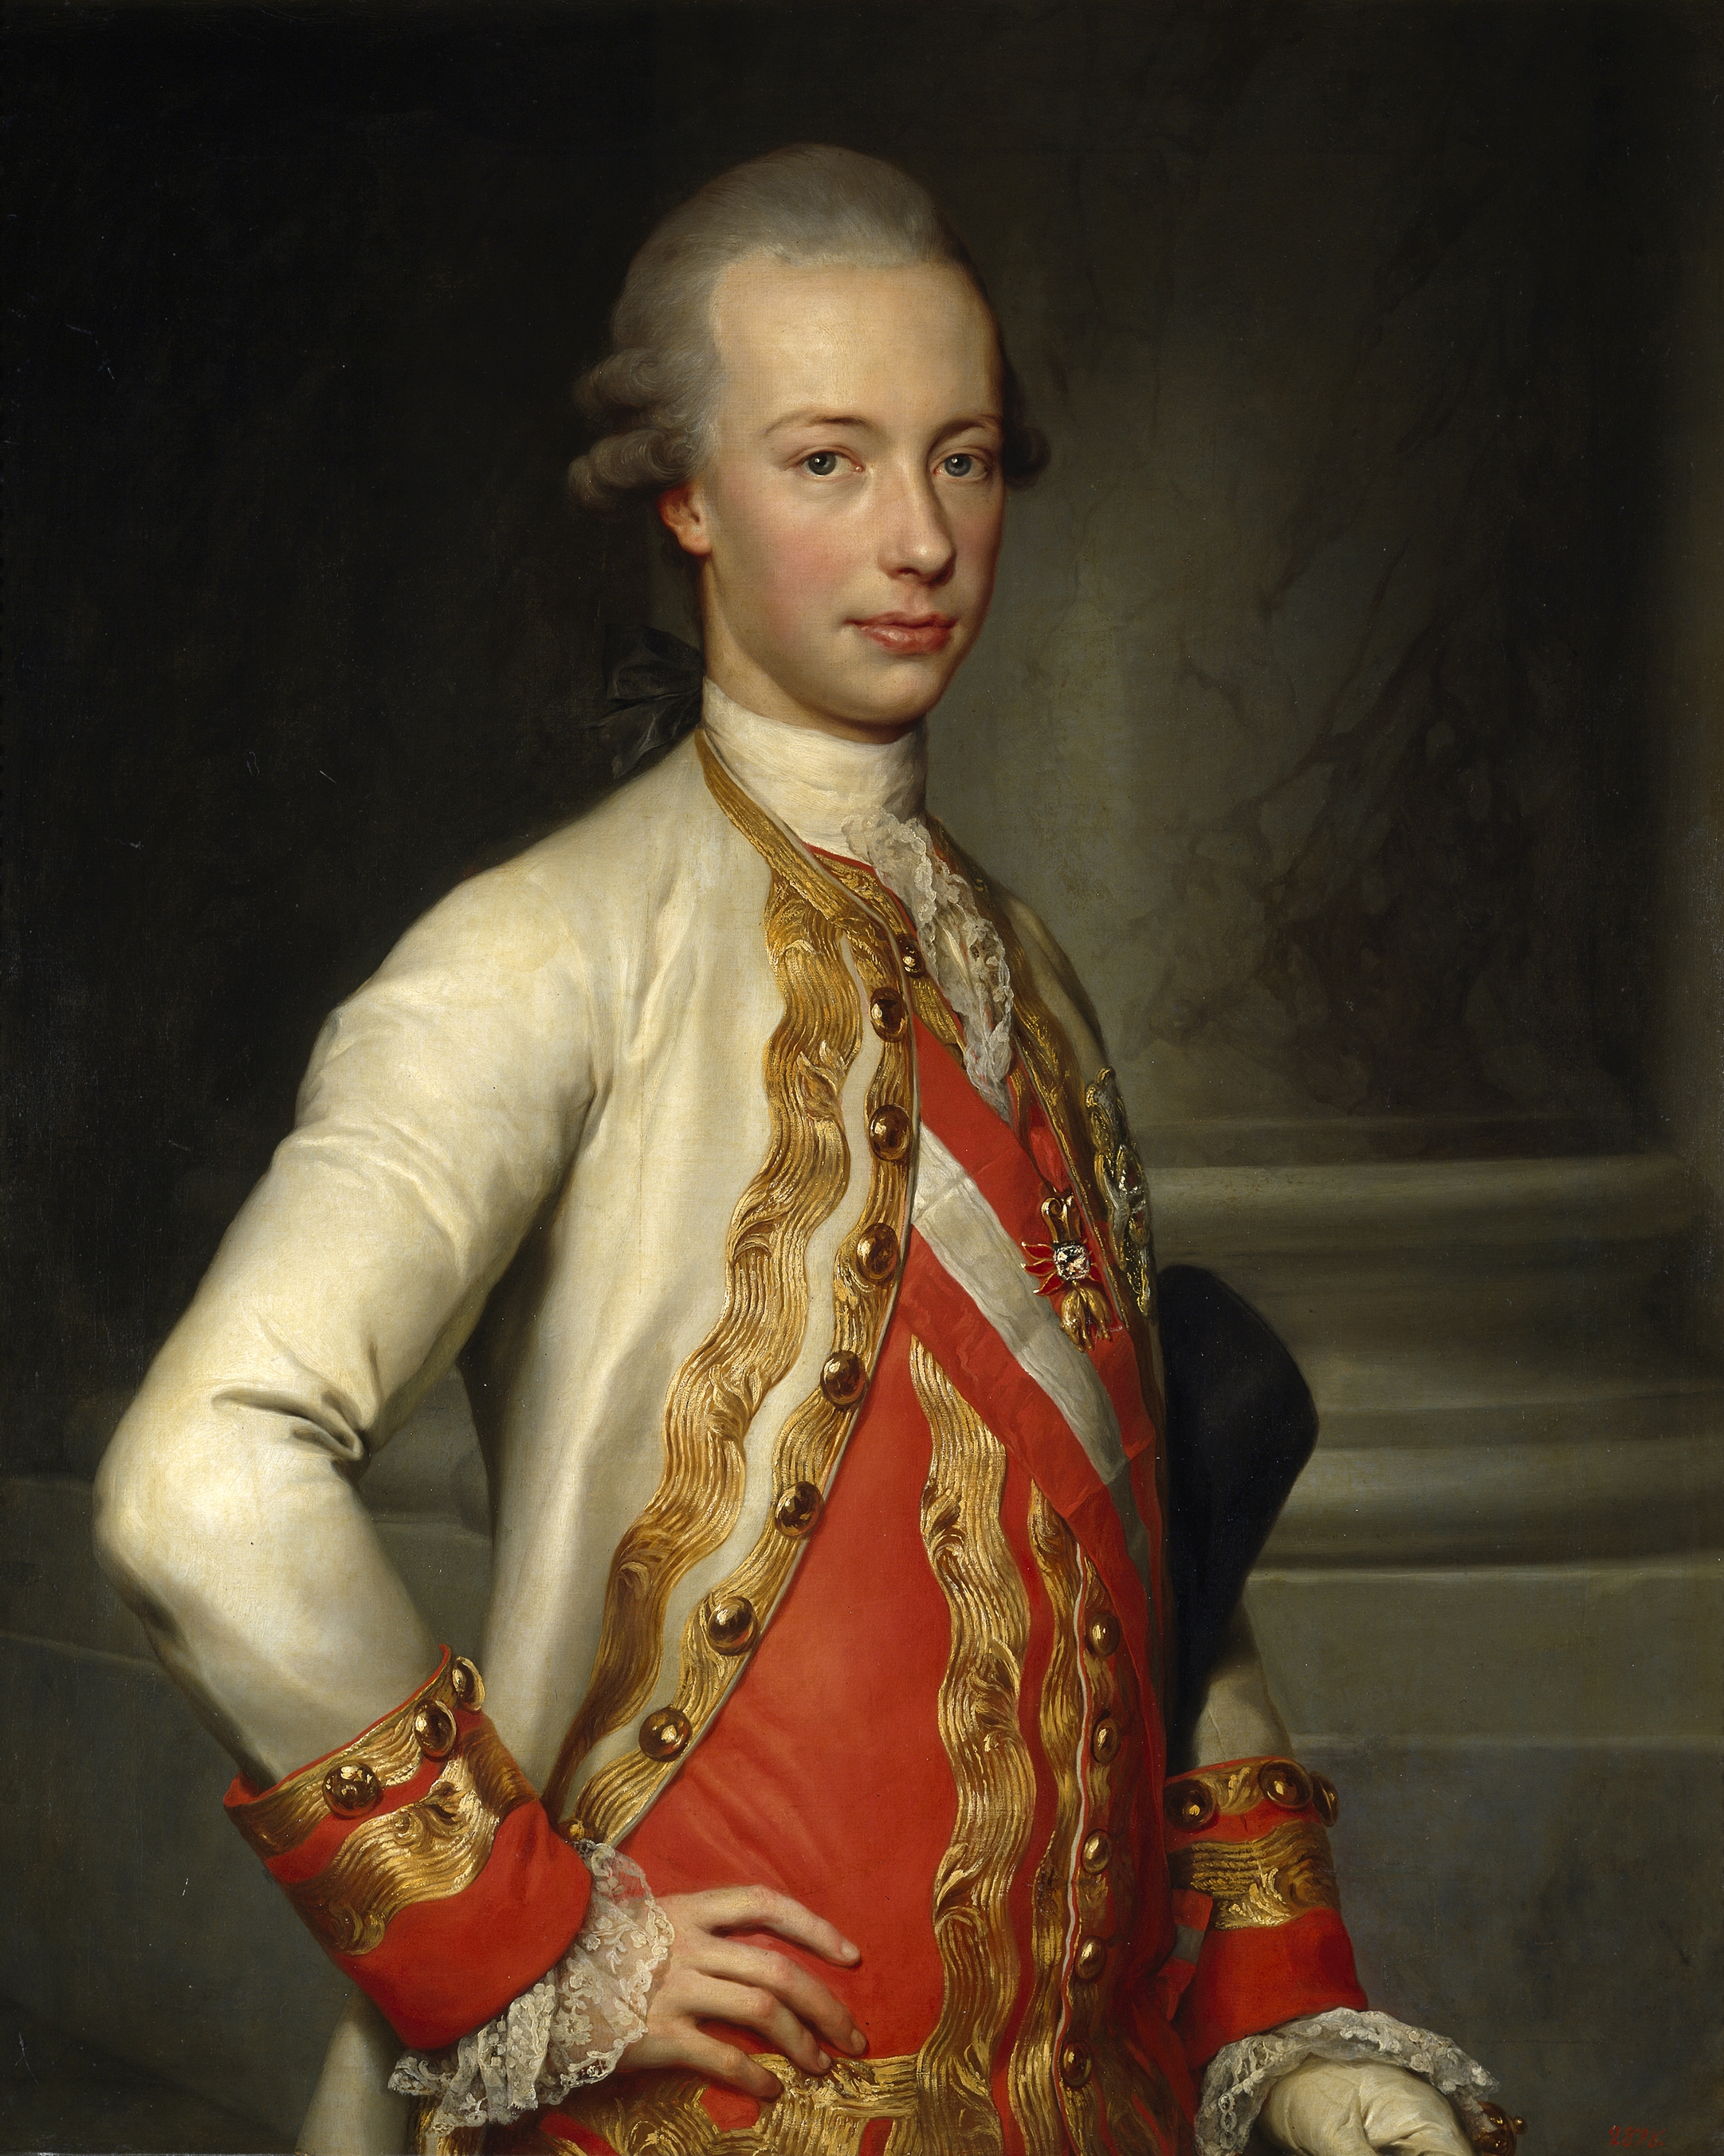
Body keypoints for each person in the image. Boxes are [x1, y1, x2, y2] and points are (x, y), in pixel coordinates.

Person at [95, 145, 1516, 2156]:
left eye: (962, 460)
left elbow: (1149, 1559)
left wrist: (1287, 2012)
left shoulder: (1027, 969)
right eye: (827, 463)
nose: (918, 539)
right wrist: (529, 1940)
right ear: (684, 494)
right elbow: (200, 1477)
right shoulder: (544, 948)